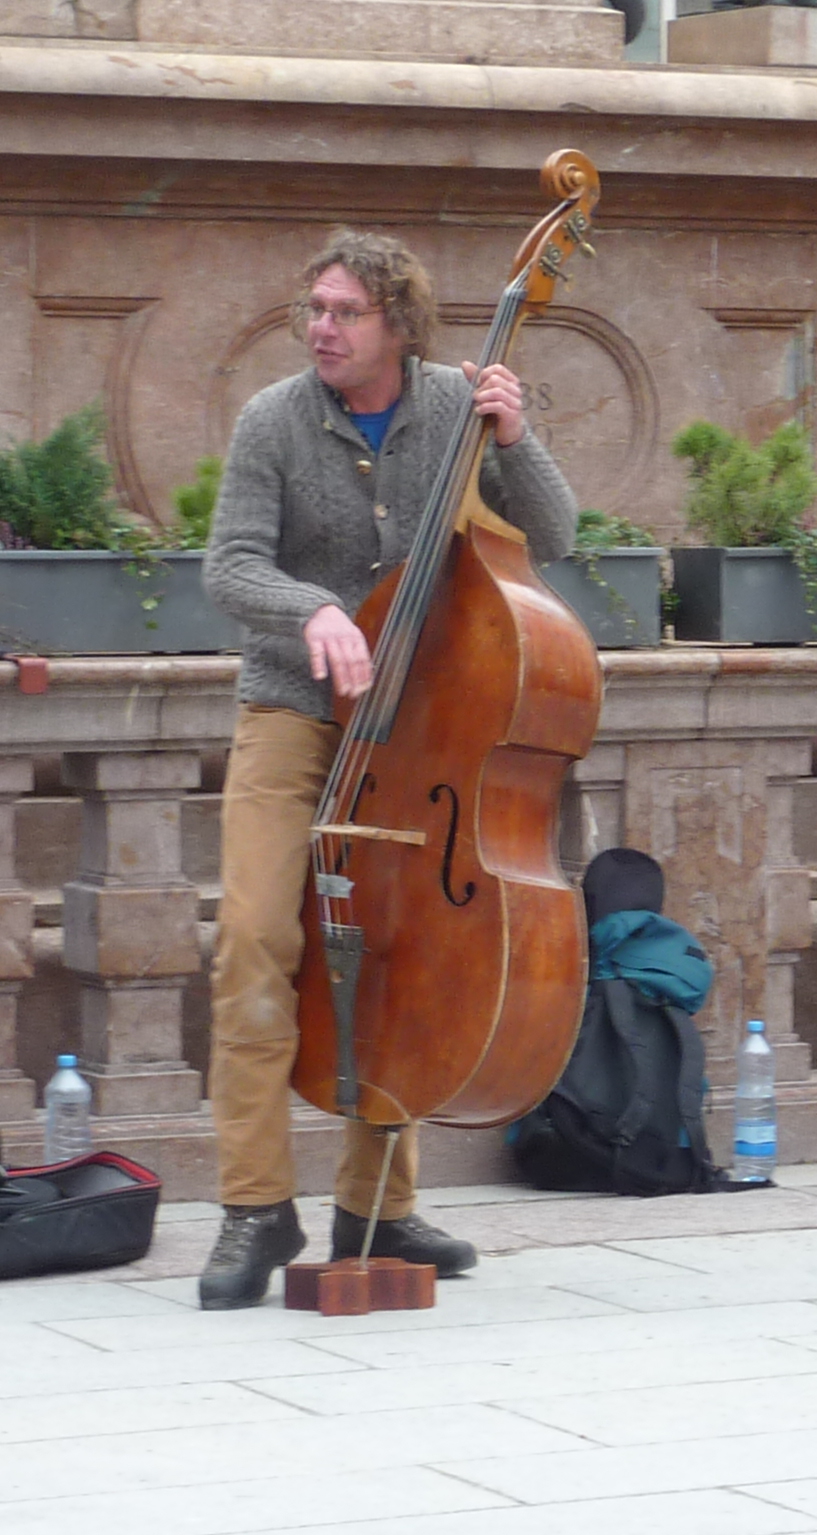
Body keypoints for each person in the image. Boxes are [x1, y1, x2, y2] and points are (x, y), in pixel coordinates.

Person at [197, 230, 579, 1309]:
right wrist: (311, 606)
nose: (321, 328)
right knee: (255, 940)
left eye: (344, 313)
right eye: (314, 309)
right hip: (293, 710)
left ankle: (378, 1208)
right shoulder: (275, 418)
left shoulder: (456, 408)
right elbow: (230, 566)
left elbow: (550, 532)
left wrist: (517, 434)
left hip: (415, 725)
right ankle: (253, 1208)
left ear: (398, 326)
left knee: (404, 942)